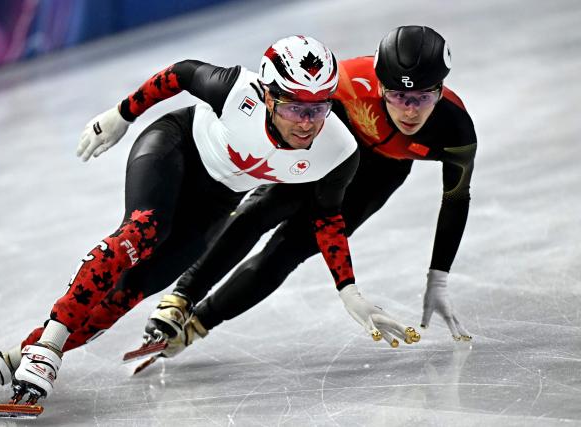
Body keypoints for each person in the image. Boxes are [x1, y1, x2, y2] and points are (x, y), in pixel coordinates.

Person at [0, 35, 416, 418]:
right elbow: (183, 72)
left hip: (213, 204)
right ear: (267, 95)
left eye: (319, 109)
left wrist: (348, 290)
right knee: (142, 231)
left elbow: (329, 218)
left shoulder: (337, 151)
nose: (308, 123)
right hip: (175, 150)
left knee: (130, 294)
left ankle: (9, 360)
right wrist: (122, 115)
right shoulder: (237, 92)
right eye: (295, 107)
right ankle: (48, 346)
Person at [144, 25, 476, 359]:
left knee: (290, 250)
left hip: (379, 176)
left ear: (440, 90)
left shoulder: (455, 128)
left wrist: (439, 278)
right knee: (260, 211)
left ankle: (197, 325)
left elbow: (456, 199)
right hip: (323, 156)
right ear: (378, 85)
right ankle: (181, 299)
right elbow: (282, 102)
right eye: (398, 96)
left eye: (423, 98)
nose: (410, 111)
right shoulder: (347, 79)